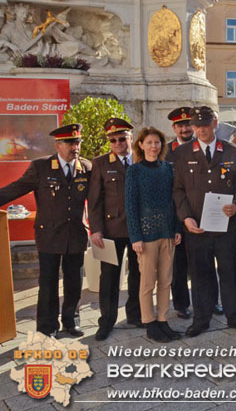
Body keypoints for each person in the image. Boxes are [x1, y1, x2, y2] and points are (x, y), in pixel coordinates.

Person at [0, 124, 91, 337]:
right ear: (58, 145)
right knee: (48, 283)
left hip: (76, 234)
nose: (75, 147)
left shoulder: (86, 167)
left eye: (77, 142)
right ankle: (47, 326)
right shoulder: (40, 167)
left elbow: (98, 198)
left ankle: (71, 320)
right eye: (70, 143)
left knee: (74, 281)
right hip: (49, 234)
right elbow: (16, 187)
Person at [172, 106, 236, 336]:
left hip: (225, 227)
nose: (201, 129)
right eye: (197, 125)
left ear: (215, 123)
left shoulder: (230, 150)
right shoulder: (182, 153)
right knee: (199, 276)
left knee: (230, 273)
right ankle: (201, 319)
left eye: (205, 124)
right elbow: (178, 190)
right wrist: (186, 217)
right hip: (196, 228)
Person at [125, 127, 182, 343]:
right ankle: (149, 323)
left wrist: (177, 228)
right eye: (148, 142)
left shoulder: (168, 168)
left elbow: (173, 201)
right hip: (146, 235)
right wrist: (135, 237)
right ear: (140, 145)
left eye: (157, 142)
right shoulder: (135, 171)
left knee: (166, 281)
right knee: (147, 282)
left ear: (162, 145)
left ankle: (163, 320)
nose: (153, 146)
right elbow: (131, 205)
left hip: (167, 232)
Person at [88, 118, 142, 341]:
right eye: (113, 140)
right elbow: (94, 200)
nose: (118, 143)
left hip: (139, 229)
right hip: (110, 230)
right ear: (109, 142)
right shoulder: (100, 163)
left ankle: (135, 315)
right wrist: (96, 229)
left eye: (122, 138)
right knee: (109, 277)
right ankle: (106, 320)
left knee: (139, 275)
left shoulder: (142, 159)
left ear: (131, 138)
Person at [165, 107, 194, 319]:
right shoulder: (166, 152)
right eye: (180, 125)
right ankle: (181, 304)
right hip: (176, 216)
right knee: (179, 265)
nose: (184, 128)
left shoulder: (202, 147)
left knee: (204, 263)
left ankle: (210, 301)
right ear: (174, 128)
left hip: (200, 214)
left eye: (187, 124)